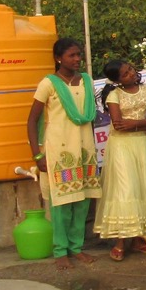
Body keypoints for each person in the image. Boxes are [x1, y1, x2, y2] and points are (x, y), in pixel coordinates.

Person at [26, 37, 101, 270]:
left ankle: (76, 248)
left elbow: (90, 115)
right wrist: (37, 155)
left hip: (84, 147)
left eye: (79, 54)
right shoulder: (48, 84)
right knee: (61, 203)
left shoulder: (86, 81)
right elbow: (32, 120)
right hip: (59, 150)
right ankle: (60, 251)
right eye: (72, 55)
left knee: (82, 201)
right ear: (59, 58)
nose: (77, 59)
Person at [96, 59, 146, 260]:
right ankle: (120, 241)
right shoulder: (114, 95)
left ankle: (139, 239)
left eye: (131, 69)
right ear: (117, 80)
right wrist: (144, 123)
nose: (131, 73)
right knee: (125, 188)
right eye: (126, 73)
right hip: (121, 147)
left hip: (141, 144)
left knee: (142, 187)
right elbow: (119, 125)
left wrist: (135, 124)